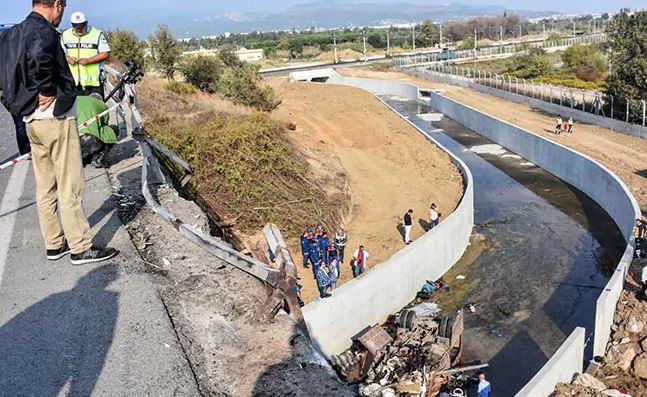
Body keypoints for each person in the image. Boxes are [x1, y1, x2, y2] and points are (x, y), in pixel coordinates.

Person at [0, 0, 117, 265]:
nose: (61, 16)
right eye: (62, 9)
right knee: (70, 184)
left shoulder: (12, 34)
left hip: (32, 120)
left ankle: (54, 244)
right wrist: (47, 91)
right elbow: (41, 58)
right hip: (56, 117)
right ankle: (80, 247)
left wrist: (17, 104)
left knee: (46, 185)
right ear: (56, 4)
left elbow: (4, 75)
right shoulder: (43, 31)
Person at [61, 11, 110, 98]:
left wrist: (89, 61)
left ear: (86, 23)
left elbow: (105, 53)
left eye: (81, 26)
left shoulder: (97, 34)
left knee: (95, 110)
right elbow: (60, 54)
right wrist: (67, 58)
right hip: (73, 83)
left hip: (93, 84)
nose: (79, 29)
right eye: (76, 27)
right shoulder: (65, 35)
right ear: (72, 25)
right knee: (76, 110)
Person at [0, 24, 31, 155]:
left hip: (11, 91)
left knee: (20, 124)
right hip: (14, 91)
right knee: (20, 123)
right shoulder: (16, 53)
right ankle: (25, 150)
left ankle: (25, 150)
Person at [77, 93, 117, 168]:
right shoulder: (103, 105)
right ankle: (98, 158)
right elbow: (104, 125)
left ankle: (81, 159)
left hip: (71, 140)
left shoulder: (77, 99)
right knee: (112, 130)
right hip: (90, 140)